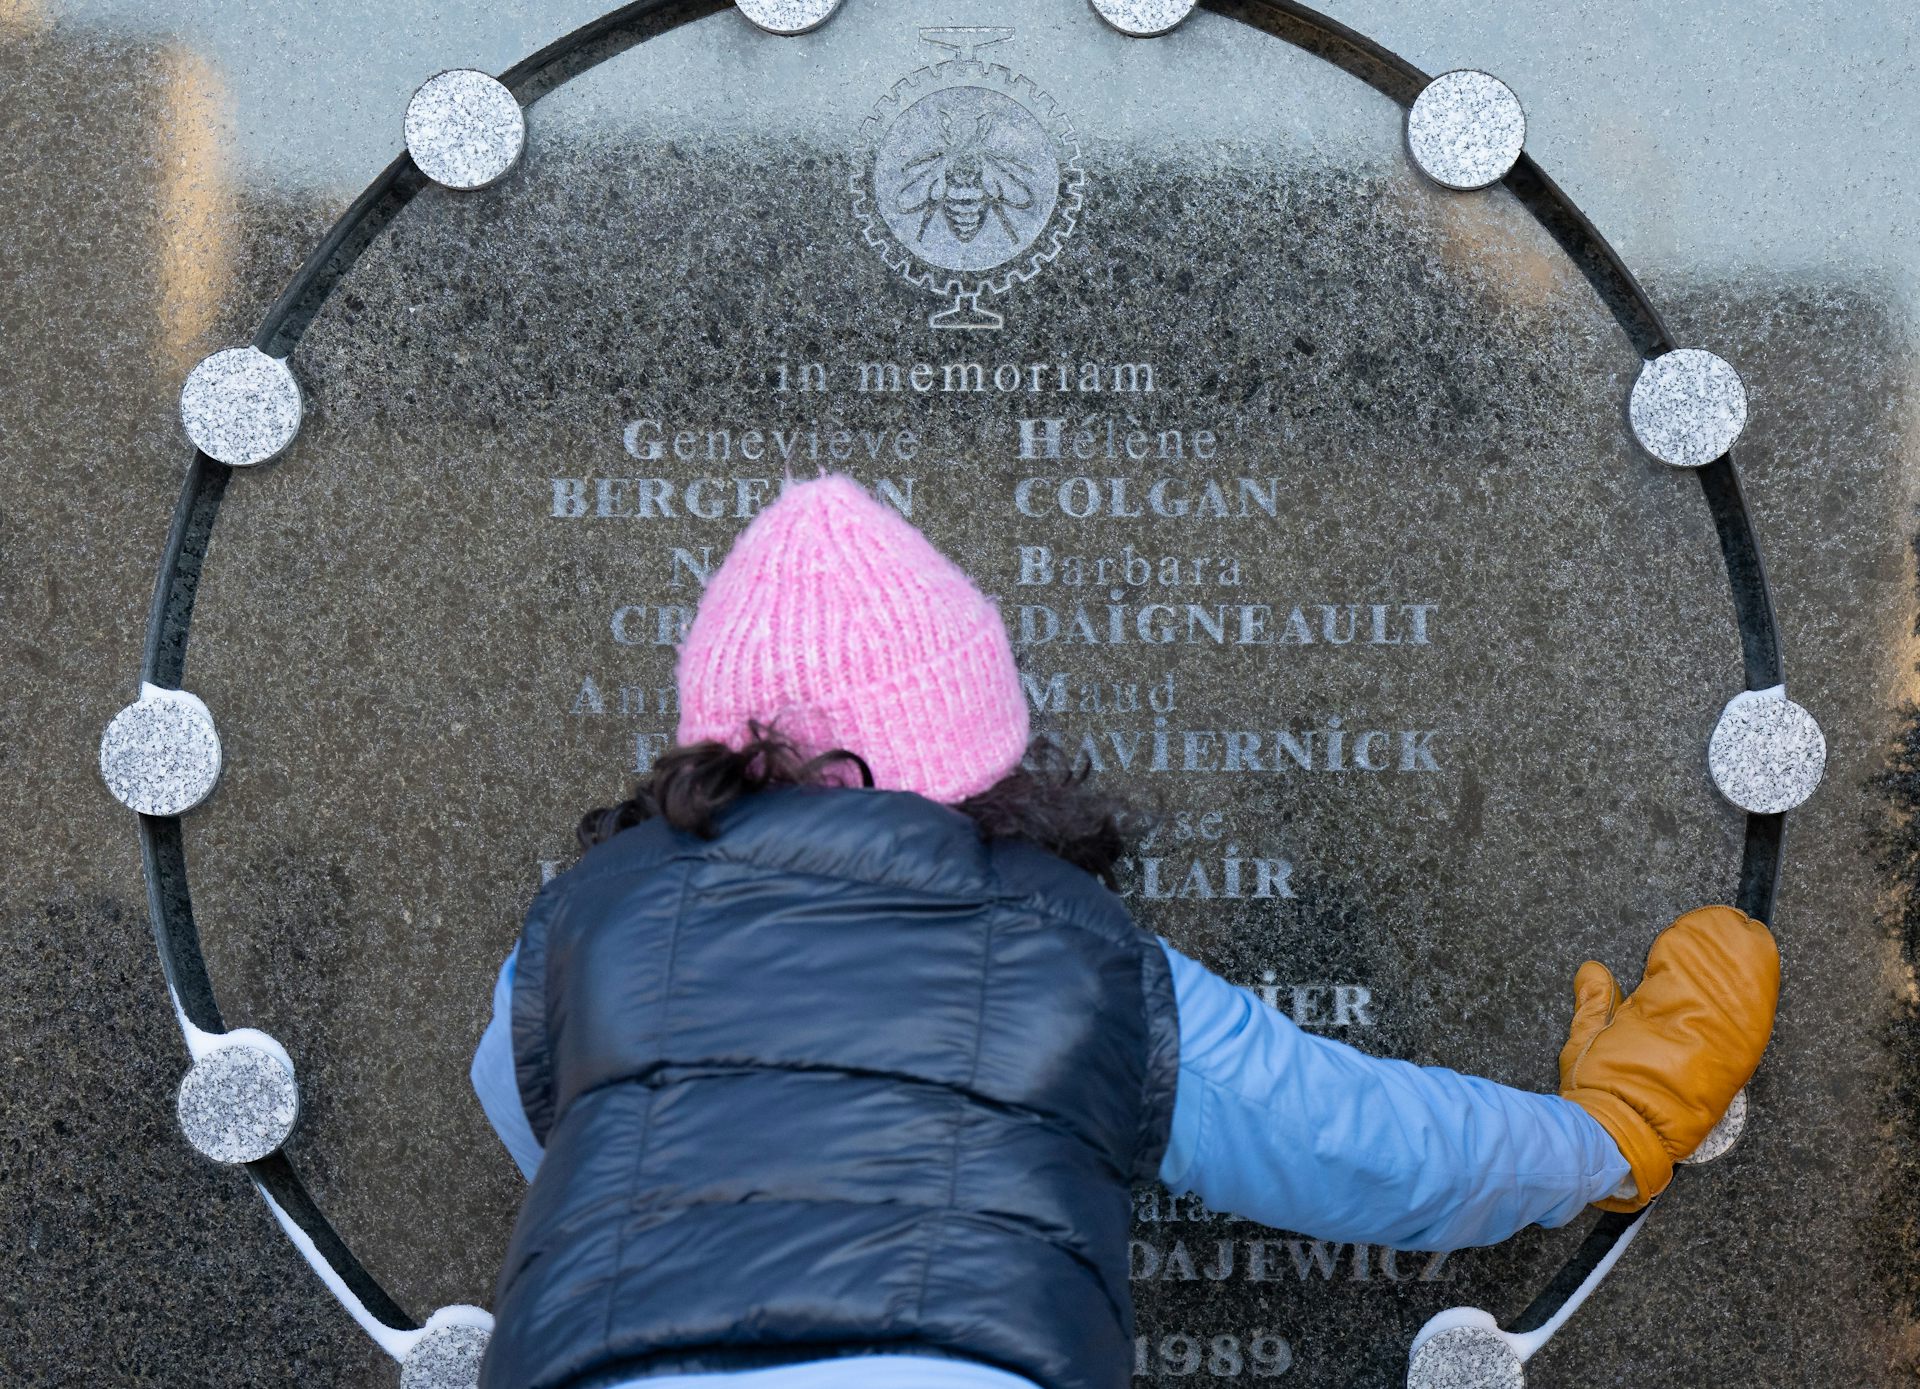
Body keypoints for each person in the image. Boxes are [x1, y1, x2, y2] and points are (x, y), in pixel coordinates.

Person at [469, 472, 1779, 1389]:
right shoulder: (1073, 955)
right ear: (981, 740)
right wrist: (1608, 1132)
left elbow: (533, 1115)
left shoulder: (582, 931)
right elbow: (1361, 1144)